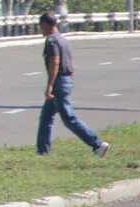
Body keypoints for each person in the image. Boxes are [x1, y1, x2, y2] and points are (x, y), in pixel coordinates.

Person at [36, 12, 109, 157]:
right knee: (46, 117)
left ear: (45, 25)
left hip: (59, 82)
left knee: (69, 118)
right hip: (65, 79)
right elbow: (70, 61)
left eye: (41, 27)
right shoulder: (62, 39)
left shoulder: (52, 41)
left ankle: (98, 144)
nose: (40, 30)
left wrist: (50, 85)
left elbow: (55, 61)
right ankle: (42, 151)